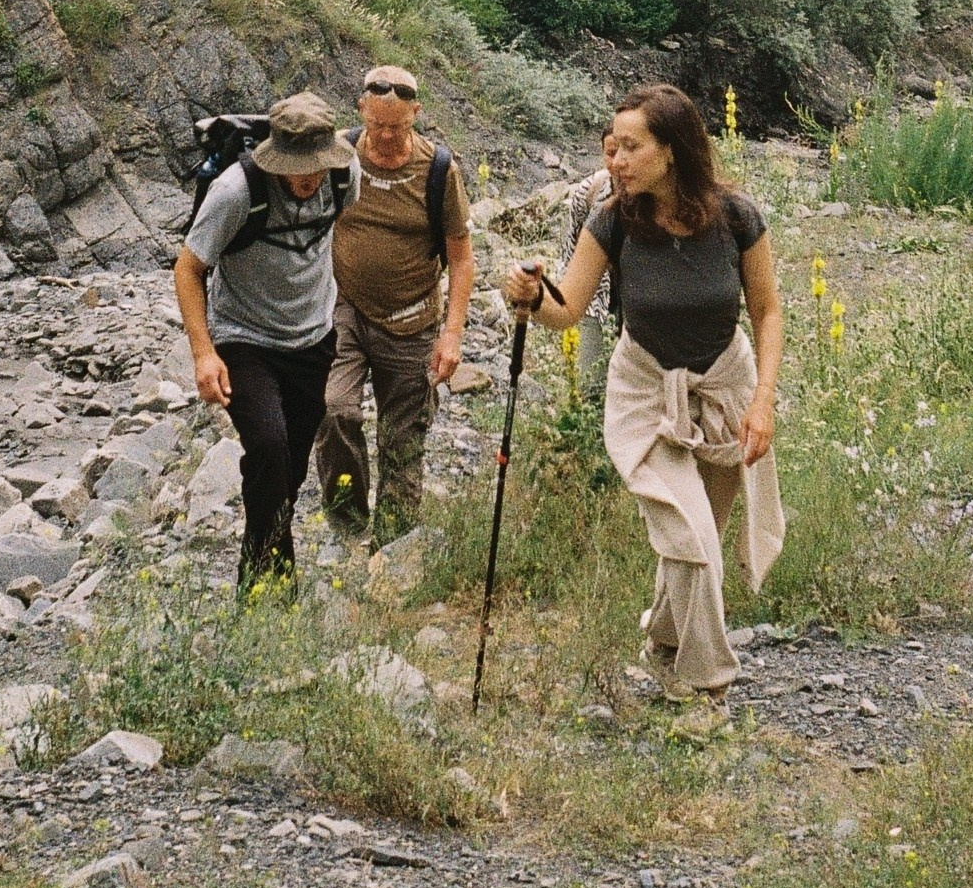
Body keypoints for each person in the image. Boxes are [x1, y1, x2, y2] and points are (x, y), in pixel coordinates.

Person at [503, 82, 783, 699]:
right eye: (610, 146)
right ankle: (707, 685)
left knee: (699, 531)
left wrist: (762, 401)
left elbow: (766, 311)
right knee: (691, 536)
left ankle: (662, 634)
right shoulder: (612, 221)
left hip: (724, 389)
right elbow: (567, 309)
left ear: (672, 150)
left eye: (631, 147)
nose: (615, 160)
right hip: (643, 390)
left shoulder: (737, 216)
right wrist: (530, 297)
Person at [174, 88, 357, 591]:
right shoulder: (235, 193)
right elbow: (188, 270)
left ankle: (269, 556)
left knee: (291, 470)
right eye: (295, 168)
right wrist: (203, 353)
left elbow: (332, 232)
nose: (306, 179)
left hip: (314, 337)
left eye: (315, 166)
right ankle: (264, 584)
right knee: (270, 448)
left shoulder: (345, 176)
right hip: (244, 338)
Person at [317, 61, 476, 549]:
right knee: (334, 409)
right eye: (377, 125)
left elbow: (461, 258)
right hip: (344, 310)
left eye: (398, 127)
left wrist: (452, 334)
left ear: (417, 115)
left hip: (412, 321)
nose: (385, 137)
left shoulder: (439, 171)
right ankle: (347, 523)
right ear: (361, 109)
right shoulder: (337, 155)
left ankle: (395, 544)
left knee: (402, 439)